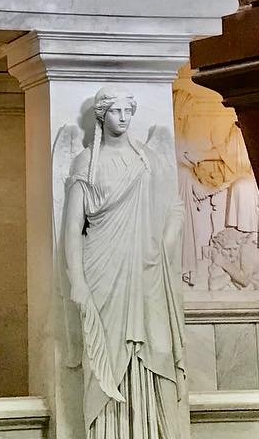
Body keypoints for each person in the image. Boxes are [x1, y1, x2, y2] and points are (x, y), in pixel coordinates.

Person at [61, 88, 189, 439]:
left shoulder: (148, 160)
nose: (123, 117)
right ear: (102, 115)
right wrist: (77, 281)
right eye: (115, 111)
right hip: (103, 268)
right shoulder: (85, 162)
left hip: (147, 268)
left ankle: (152, 431)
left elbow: (174, 207)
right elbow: (72, 231)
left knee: (155, 347)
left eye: (127, 110)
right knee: (105, 352)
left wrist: (164, 244)